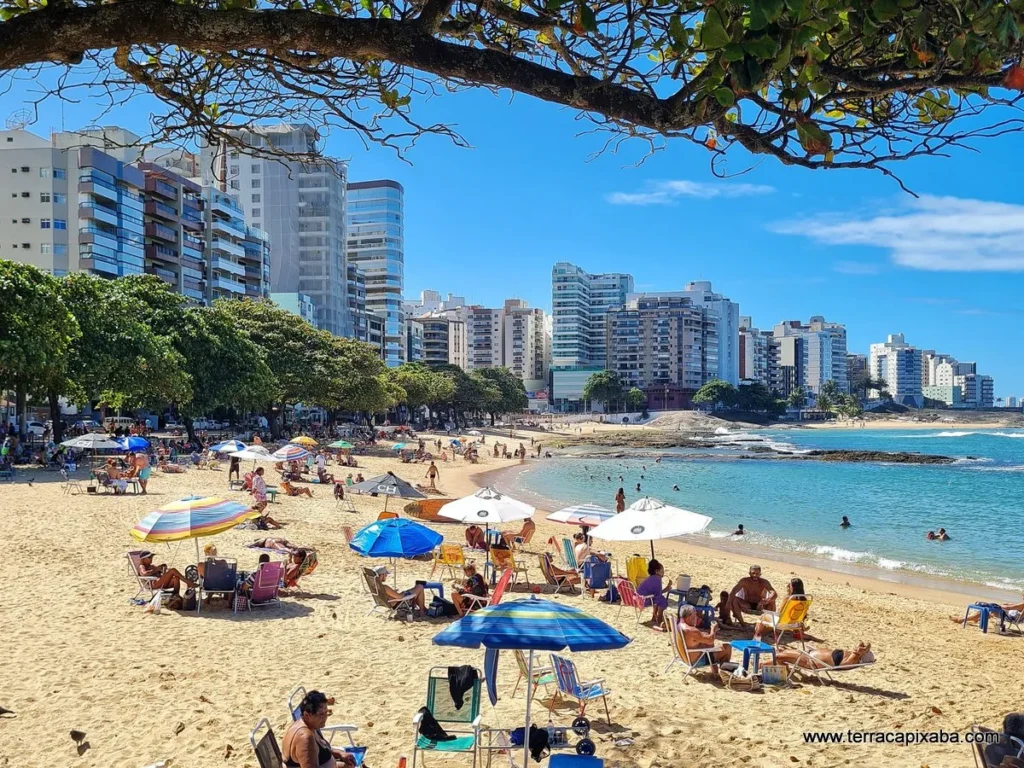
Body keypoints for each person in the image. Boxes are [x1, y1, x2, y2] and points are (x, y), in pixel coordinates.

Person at [281, 690, 357, 768]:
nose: (325, 717)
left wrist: (340, 754)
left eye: (326, 712)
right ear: (307, 715)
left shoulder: (311, 725)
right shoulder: (305, 738)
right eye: (321, 714)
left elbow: (317, 752)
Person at [678, 604, 731, 669]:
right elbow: (711, 639)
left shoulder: (679, 625)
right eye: (695, 615)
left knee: (706, 637)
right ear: (689, 616)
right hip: (697, 661)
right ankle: (725, 672)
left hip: (685, 658)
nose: (696, 617)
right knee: (727, 647)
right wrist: (713, 629)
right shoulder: (691, 630)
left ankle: (715, 671)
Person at [775, 642, 873, 670]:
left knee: (778, 656)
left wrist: (857, 653)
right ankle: (763, 666)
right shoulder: (850, 656)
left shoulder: (851, 661)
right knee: (782, 652)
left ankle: (785, 672)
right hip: (808, 654)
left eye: (862, 650)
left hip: (809, 660)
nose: (857, 648)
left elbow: (842, 664)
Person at [636, 559, 671, 629]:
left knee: (657, 599)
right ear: (657, 571)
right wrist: (667, 588)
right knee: (662, 601)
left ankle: (654, 616)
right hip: (643, 600)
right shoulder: (657, 579)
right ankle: (659, 617)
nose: (663, 573)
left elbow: (655, 592)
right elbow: (658, 594)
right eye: (662, 571)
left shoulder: (651, 577)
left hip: (638, 598)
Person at [952, 595, 1024, 626]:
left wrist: (998, 605)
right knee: (989, 611)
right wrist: (1005, 604)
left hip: (1009, 616)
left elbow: (1009, 607)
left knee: (987, 609)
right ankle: (975, 619)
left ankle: (962, 619)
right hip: (1009, 615)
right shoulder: (1022, 603)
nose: (1022, 596)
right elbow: (1013, 606)